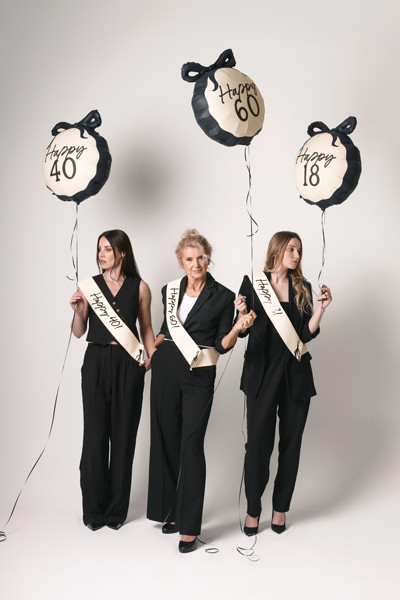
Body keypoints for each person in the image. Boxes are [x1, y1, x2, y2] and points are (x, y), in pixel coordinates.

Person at [147, 229, 255, 553]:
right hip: (165, 371)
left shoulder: (222, 296)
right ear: (181, 262)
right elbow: (165, 332)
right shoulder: (169, 291)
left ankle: (190, 526)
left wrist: (238, 326)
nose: (196, 264)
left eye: (201, 258)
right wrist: (150, 355)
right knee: (166, 439)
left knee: (191, 445)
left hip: (198, 376)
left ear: (208, 259)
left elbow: (222, 345)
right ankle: (172, 511)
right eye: (190, 259)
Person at [235, 231, 332, 535]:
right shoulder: (253, 283)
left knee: (291, 445)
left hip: (295, 375)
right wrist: (241, 316)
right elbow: (240, 330)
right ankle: (253, 509)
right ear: (277, 250)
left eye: (299, 250)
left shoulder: (302, 286)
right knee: (257, 446)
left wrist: (321, 310)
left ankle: (280, 509)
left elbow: (304, 334)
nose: (297, 255)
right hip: (261, 375)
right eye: (291, 249)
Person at [69, 229, 155, 531]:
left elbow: (146, 328)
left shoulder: (140, 287)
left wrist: (151, 357)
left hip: (128, 364)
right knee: (94, 438)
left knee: (123, 437)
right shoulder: (88, 287)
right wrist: (79, 311)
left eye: (107, 249)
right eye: (99, 249)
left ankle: (116, 512)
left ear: (122, 253)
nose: (101, 255)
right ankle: (93, 511)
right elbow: (78, 332)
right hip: (96, 362)